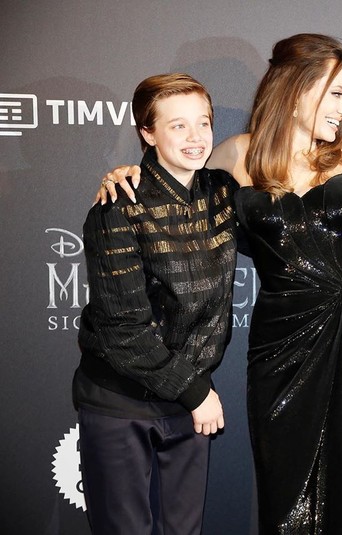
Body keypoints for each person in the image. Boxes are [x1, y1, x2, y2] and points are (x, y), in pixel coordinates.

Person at [98, 34, 342, 534]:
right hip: (280, 344)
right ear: (295, 88)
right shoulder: (236, 154)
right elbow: (175, 183)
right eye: (336, 93)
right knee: (284, 493)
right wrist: (128, 175)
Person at [74, 73, 239, 534]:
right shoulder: (117, 205)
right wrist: (196, 393)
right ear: (147, 133)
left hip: (188, 404)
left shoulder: (222, 193)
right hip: (121, 402)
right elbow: (123, 328)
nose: (196, 137)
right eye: (177, 125)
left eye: (203, 123)